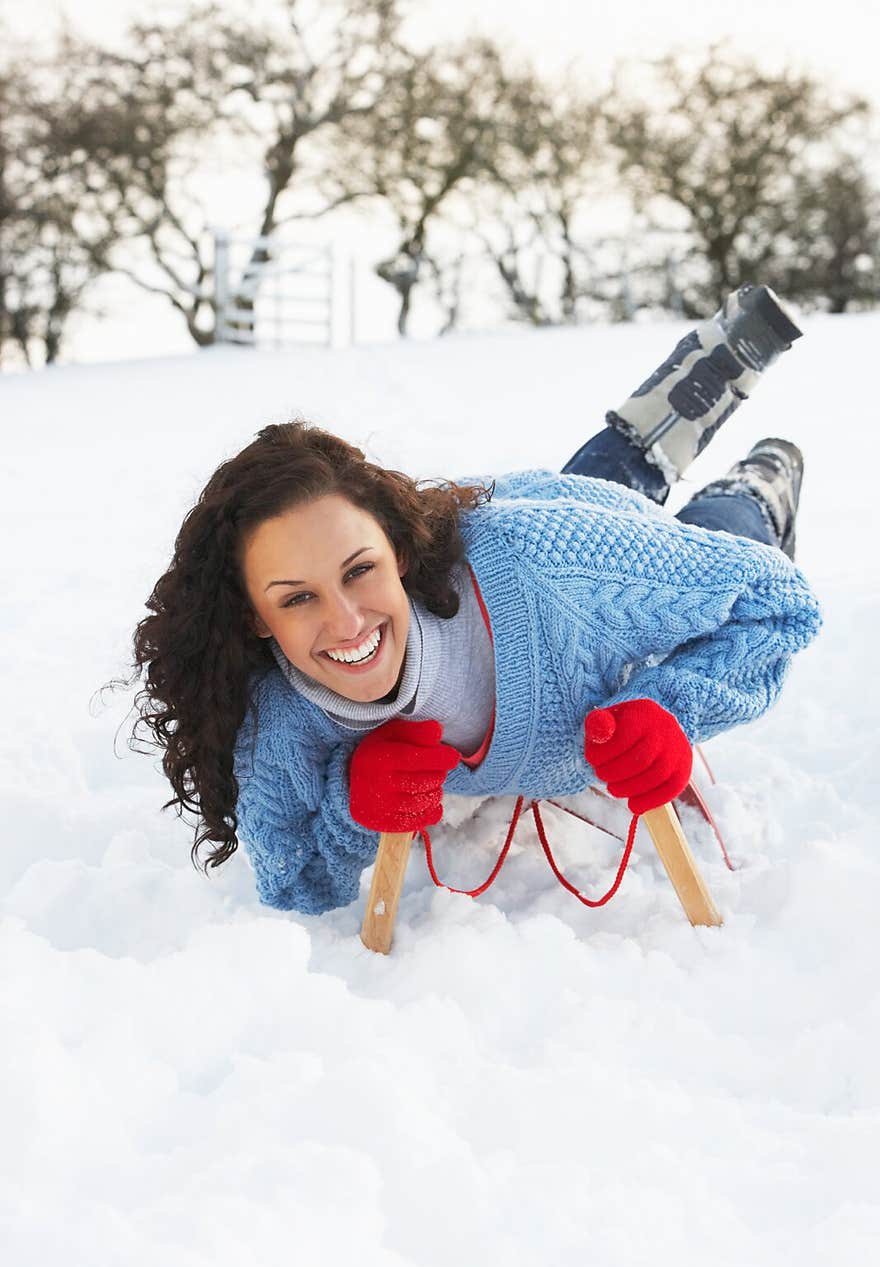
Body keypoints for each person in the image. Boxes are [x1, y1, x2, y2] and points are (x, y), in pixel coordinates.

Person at [124, 285, 821, 916]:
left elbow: (777, 603)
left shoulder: (559, 562)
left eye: (360, 571)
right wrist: (355, 802)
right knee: (598, 495)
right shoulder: (284, 718)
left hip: (557, 556)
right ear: (253, 615)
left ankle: (760, 481)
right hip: (525, 555)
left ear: (394, 550)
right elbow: (295, 882)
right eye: (298, 597)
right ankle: (651, 434)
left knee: (691, 531)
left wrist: (670, 709)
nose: (344, 622)